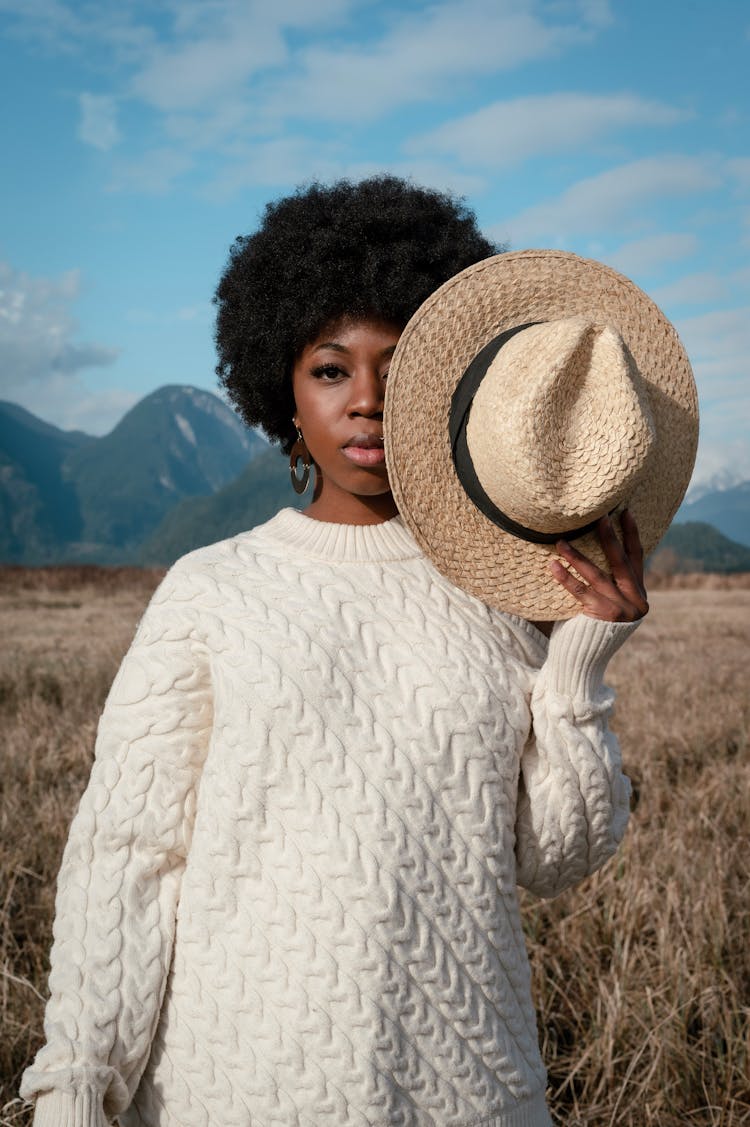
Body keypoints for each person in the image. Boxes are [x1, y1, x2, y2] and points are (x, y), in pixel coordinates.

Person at [21, 176, 685, 1127]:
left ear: (451, 392)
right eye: (331, 369)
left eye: (401, 366)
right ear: (283, 392)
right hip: (237, 1088)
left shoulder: (499, 598)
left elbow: (553, 856)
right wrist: (79, 1080)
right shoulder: (212, 592)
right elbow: (126, 856)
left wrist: (579, 658)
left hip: (472, 1093)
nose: (367, 400)